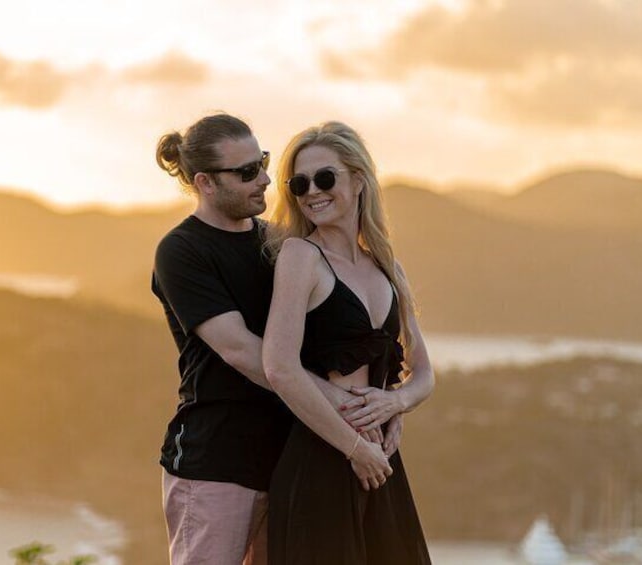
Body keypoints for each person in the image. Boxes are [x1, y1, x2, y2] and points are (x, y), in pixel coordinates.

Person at [151, 114, 380, 565]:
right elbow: (244, 353)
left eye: (263, 163)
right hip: (217, 463)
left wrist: (388, 403)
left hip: (290, 461)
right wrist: (344, 406)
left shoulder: (279, 245)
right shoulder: (182, 251)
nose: (263, 180)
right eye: (246, 172)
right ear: (205, 183)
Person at [263, 121, 435, 564]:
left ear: (358, 179)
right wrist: (354, 448)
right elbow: (279, 367)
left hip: (380, 466)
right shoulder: (301, 257)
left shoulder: (388, 268)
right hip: (323, 460)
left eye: (325, 178)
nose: (311, 193)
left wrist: (395, 404)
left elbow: (424, 374)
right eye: (299, 183)